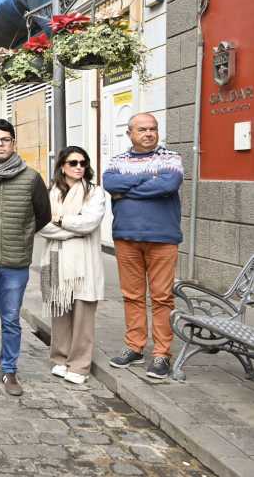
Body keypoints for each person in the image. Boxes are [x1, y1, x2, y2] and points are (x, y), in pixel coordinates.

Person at [0, 118, 51, 397]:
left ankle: (9, 370)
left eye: (5, 140)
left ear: (13, 143)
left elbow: (43, 215)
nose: (0, 144)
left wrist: (23, 235)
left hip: (16, 262)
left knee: (12, 319)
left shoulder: (31, 178)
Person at [103, 112, 183, 379]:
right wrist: (150, 180)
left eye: (153, 129)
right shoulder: (117, 161)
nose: (149, 133)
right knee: (132, 296)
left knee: (162, 297)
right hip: (126, 238)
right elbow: (110, 183)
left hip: (163, 238)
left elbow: (169, 185)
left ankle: (162, 354)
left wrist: (128, 190)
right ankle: (134, 347)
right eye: (142, 129)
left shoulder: (171, 158)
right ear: (130, 134)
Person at [38, 146, 106, 385]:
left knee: (83, 316)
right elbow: (42, 225)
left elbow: (89, 223)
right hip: (56, 260)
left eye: (83, 163)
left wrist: (60, 219)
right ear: (62, 166)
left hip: (84, 263)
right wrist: (71, 230)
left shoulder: (94, 192)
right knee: (60, 312)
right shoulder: (51, 192)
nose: (79, 167)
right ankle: (60, 358)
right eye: (73, 163)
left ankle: (79, 365)